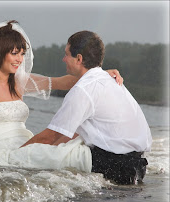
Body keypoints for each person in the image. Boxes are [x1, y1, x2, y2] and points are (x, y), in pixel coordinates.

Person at [0, 20, 123, 173]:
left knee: (77, 141)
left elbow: (64, 82)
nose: (20, 60)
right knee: (62, 156)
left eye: (22, 54)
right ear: (0, 53)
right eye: (14, 53)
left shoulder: (19, 81)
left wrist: (100, 74)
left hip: (27, 144)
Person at [21, 30, 152, 184]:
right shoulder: (109, 80)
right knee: (64, 145)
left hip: (115, 168)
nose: (63, 59)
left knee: (38, 157)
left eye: (66, 54)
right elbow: (67, 133)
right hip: (137, 168)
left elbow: (52, 136)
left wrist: (19, 152)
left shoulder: (83, 89)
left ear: (79, 59)